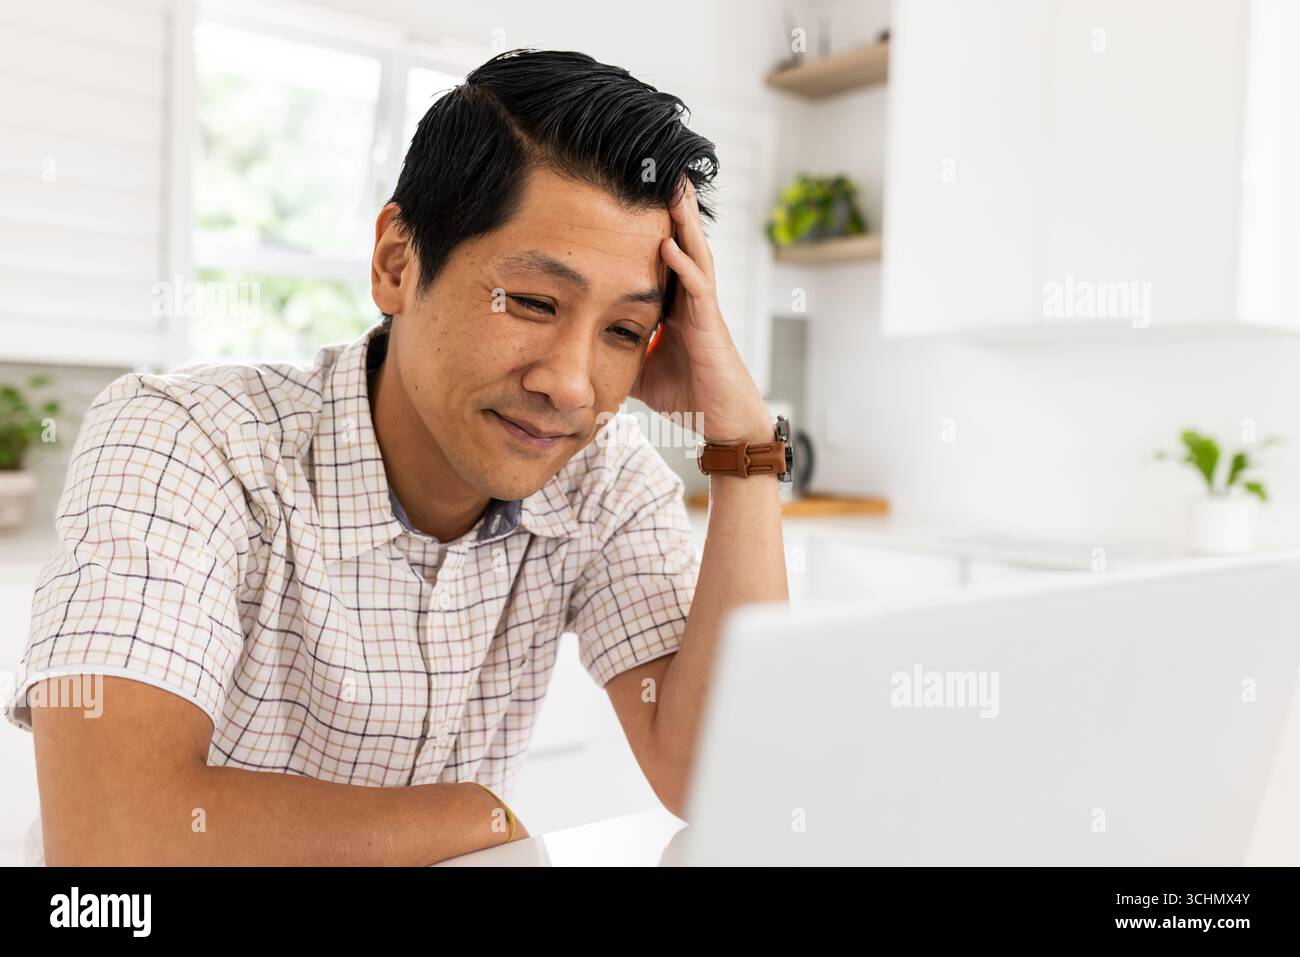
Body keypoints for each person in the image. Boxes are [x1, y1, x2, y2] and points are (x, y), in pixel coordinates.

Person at [4, 48, 788, 865]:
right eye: (530, 301)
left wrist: (744, 442)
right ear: (396, 262)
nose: (570, 385)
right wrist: (475, 816)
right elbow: (110, 837)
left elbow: (724, 781)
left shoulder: (601, 476)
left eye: (623, 331)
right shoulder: (185, 440)